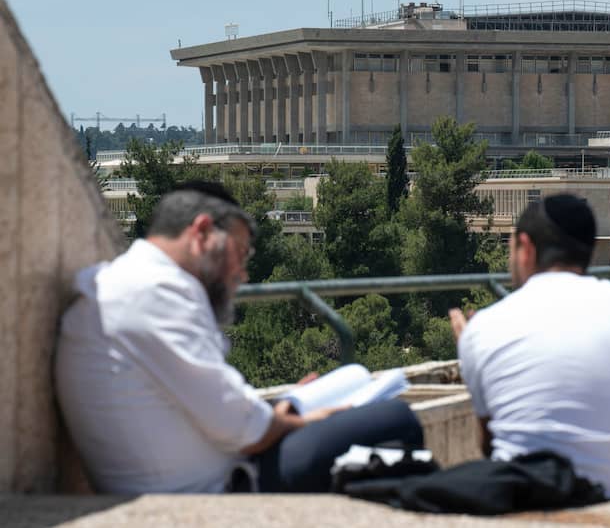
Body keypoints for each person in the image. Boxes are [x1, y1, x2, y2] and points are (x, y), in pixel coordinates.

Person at [55, 181, 422, 494]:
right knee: (396, 420)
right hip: (211, 493)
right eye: (240, 253)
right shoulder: (153, 292)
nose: (242, 274)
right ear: (202, 232)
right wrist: (313, 417)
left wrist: (279, 410)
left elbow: (214, 409)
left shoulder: (128, 285)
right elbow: (248, 431)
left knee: (380, 437)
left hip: (200, 476)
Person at [449, 194, 610, 498]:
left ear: (526, 248)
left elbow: (490, 445)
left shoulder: (482, 329)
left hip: (534, 506)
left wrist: (471, 350)